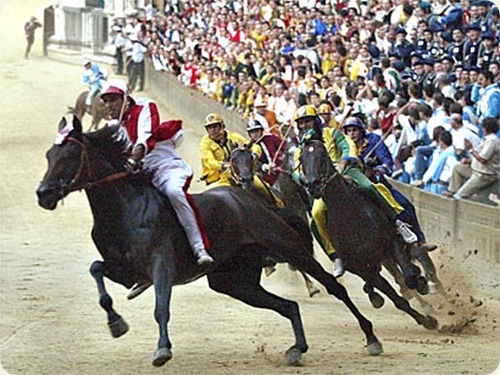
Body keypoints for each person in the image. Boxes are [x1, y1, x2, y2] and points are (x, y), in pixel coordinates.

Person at [100, 79, 214, 299]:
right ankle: (142, 270)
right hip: (142, 176)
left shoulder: (144, 107)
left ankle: (199, 246)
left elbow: (145, 139)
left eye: (113, 99)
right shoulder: (112, 127)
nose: (109, 105)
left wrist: (133, 160)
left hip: (166, 169)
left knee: (174, 193)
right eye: (106, 101)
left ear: (126, 98)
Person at [293, 106, 418, 278]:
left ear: (314, 121)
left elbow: (348, 145)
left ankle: (398, 223)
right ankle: (335, 256)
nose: (305, 125)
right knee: (316, 213)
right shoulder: (301, 146)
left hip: (346, 171)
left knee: (369, 187)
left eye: (307, 121)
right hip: (323, 184)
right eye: (301, 123)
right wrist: (302, 178)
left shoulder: (331, 133)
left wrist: (344, 162)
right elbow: (295, 169)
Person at [342, 117, 438, 253]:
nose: (352, 134)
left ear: (361, 131)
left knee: (406, 205)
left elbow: (388, 163)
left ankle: (420, 241)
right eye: (349, 131)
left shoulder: (374, 140)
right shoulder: (343, 146)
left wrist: (377, 169)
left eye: (354, 130)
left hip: (377, 183)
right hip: (353, 188)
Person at [200, 113, 283, 206]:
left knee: (263, 188)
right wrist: (224, 165)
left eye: (215, 126)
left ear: (221, 126)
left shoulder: (234, 136)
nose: (212, 130)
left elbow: (254, 146)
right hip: (219, 179)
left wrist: (254, 155)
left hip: (240, 174)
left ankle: (278, 207)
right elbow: (209, 162)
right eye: (209, 128)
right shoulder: (205, 143)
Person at [443, 117, 500, 200]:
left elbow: (483, 159)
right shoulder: (486, 139)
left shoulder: (492, 140)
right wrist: (469, 161)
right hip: (476, 169)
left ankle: (459, 198)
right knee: (458, 168)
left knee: (460, 195)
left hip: (484, 174)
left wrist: (470, 149)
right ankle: (452, 190)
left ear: (486, 127)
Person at [246, 118, 286, 186]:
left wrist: (283, 157)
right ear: (249, 134)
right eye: (252, 132)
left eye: (257, 131)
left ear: (261, 131)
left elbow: (285, 146)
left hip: (281, 171)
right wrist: (265, 167)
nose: (255, 134)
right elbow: (254, 164)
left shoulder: (271, 138)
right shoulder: (250, 148)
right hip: (265, 177)